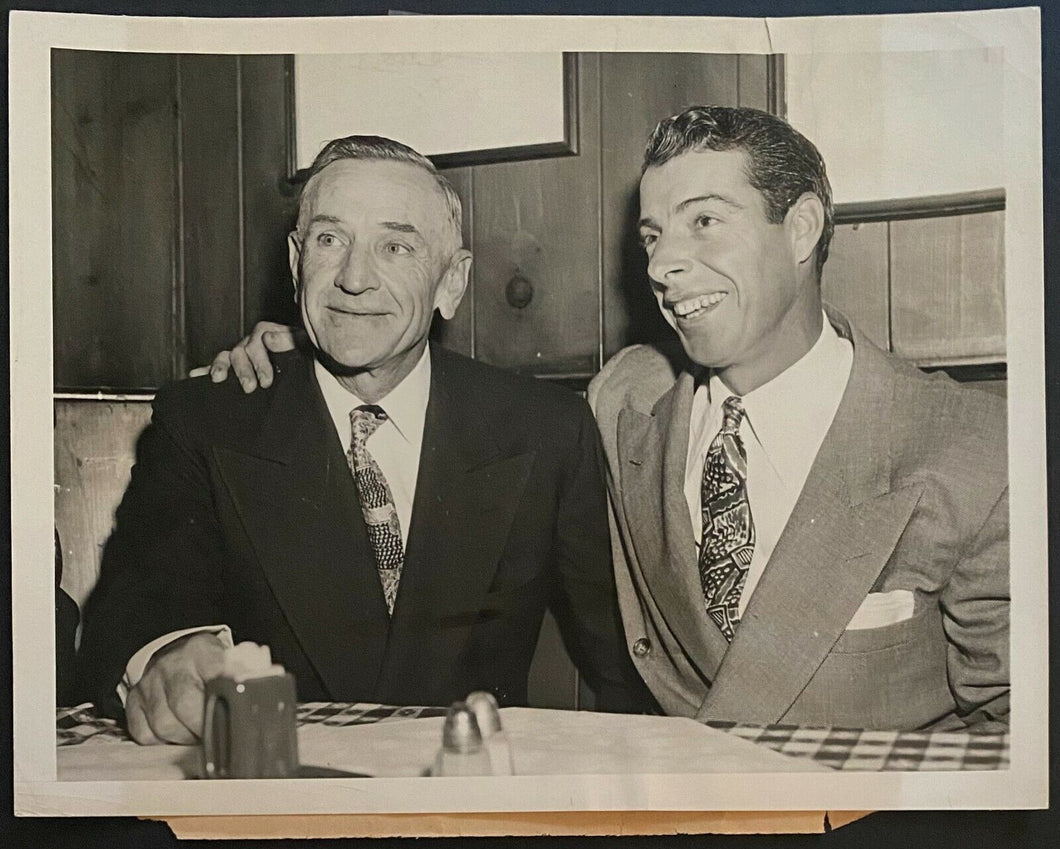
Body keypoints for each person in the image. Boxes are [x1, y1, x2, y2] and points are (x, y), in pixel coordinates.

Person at [217, 107, 1009, 733]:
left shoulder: (970, 448)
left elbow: (1015, 735)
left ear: (802, 228)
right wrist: (315, 347)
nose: (662, 265)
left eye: (704, 222)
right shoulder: (623, 404)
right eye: (653, 236)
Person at [77, 135, 643, 745]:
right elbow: (136, 604)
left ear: (451, 282)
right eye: (329, 240)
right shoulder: (207, 420)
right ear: (297, 266)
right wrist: (168, 654)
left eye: (396, 246)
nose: (352, 278)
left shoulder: (544, 429)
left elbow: (623, 659)